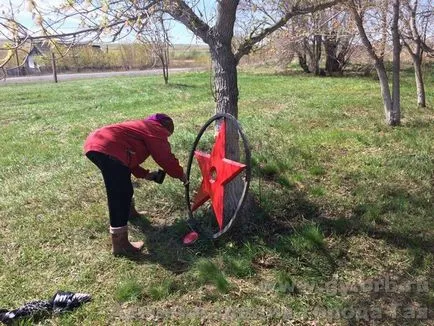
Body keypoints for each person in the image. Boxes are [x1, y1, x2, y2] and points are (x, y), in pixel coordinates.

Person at [84, 113, 186, 255]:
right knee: (119, 193)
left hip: (98, 144)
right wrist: (180, 174)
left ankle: (130, 213)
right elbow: (165, 157)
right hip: (107, 147)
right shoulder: (155, 129)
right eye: (167, 135)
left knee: (122, 183)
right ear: (166, 127)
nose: (166, 138)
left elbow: (127, 158)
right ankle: (120, 245)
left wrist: (146, 174)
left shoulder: (141, 128)